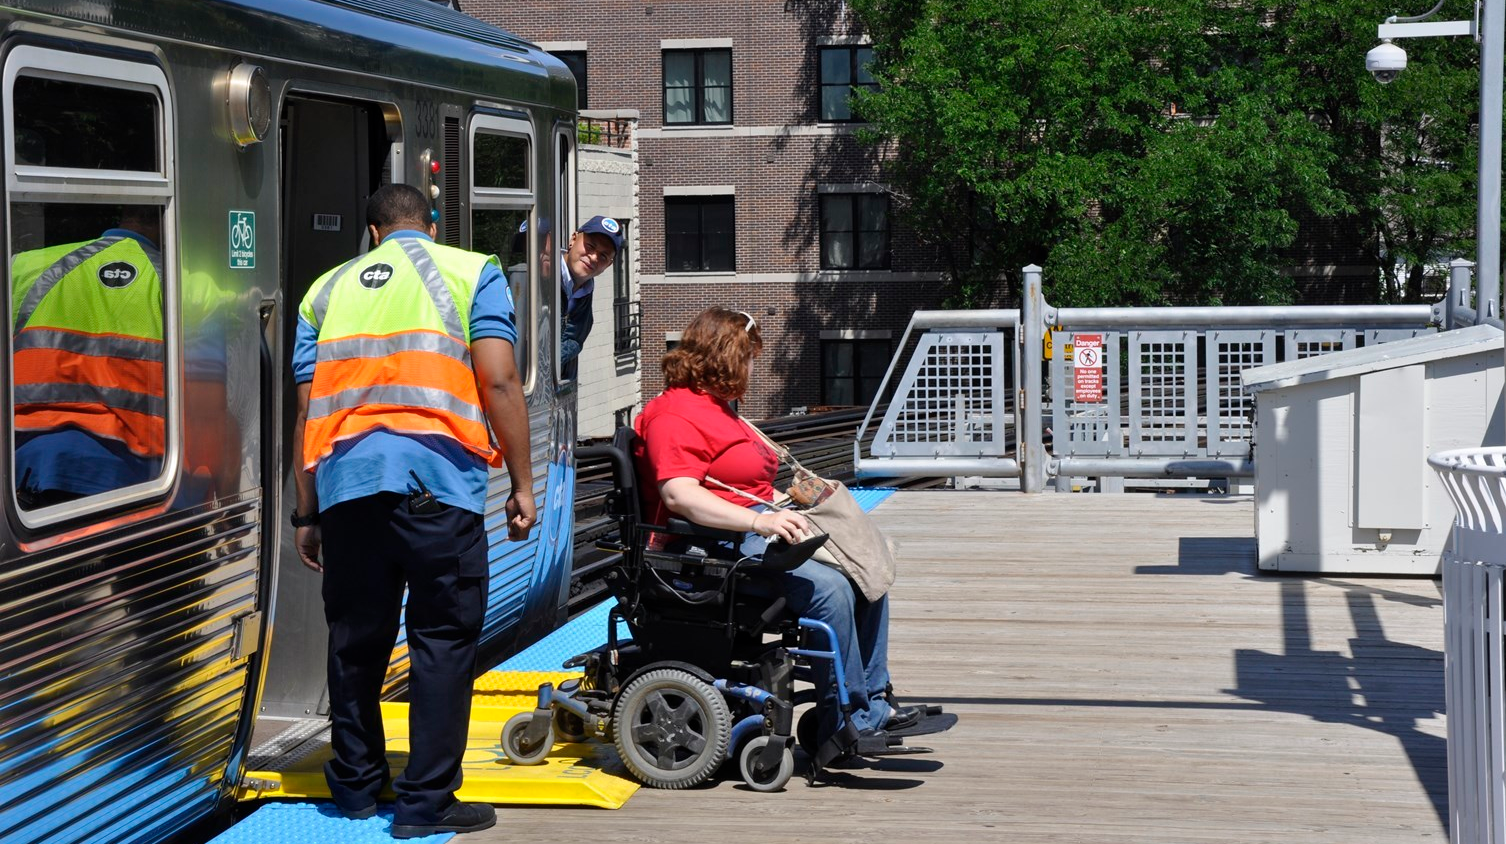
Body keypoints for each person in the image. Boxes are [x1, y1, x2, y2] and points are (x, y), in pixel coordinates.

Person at [291, 183, 535, 839]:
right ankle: (425, 804)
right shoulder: (471, 272)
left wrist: (306, 512)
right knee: (441, 642)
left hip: (346, 491)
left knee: (354, 643)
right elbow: (500, 380)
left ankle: (355, 788)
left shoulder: (324, 292)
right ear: (429, 226)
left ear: (372, 233)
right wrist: (522, 484)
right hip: (437, 492)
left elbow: (307, 409)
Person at [631, 306, 921, 756]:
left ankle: (873, 701)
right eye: (748, 357)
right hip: (712, 545)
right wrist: (759, 520)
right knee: (829, 589)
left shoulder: (718, 410)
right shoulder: (674, 415)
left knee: (866, 572)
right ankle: (848, 719)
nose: (752, 368)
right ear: (727, 356)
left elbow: (741, 482)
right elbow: (679, 495)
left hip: (752, 531)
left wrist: (786, 500)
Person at [11, 206, 166, 507]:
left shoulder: (27, 267)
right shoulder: (172, 282)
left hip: (26, 471)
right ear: (164, 221)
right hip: (125, 478)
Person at [557, 215, 622, 379]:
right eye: (590, 246)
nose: (593, 257)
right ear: (573, 239)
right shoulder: (543, 275)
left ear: (609, 265)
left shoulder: (586, 291)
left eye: (603, 256)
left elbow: (575, 340)